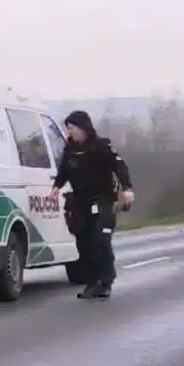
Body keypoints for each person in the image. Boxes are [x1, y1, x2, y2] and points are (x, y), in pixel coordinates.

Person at [49, 110, 134, 299]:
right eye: (68, 129)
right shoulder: (70, 149)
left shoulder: (100, 146)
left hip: (102, 199)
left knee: (100, 241)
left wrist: (127, 188)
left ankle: (105, 281)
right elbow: (64, 171)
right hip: (80, 201)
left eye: (73, 128)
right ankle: (92, 281)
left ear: (84, 128)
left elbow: (119, 166)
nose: (70, 132)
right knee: (84, 243)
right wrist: (56, 187)